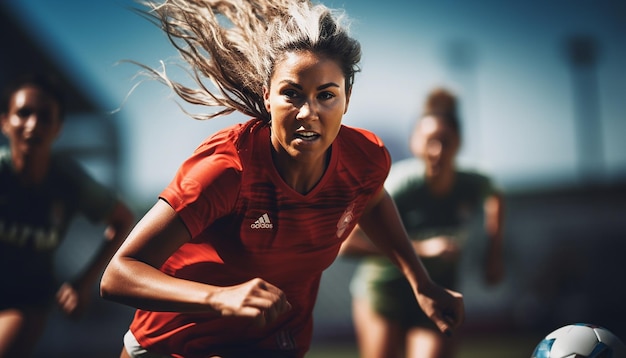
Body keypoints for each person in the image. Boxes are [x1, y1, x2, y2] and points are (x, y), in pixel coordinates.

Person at [99, 1, 465, 357]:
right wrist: (219, 297)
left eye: (326, 96)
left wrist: (422, 283)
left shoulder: (365, 161)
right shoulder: (228, 171)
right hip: (172, 345)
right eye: (291, 93)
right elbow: (118, 275)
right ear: (267, 96)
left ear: (347, 99)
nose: (309, 113)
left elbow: (374, 201)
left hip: (272, 344)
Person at [340, 87, 505, 358]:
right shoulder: (398, 185)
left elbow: (496, 195)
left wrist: (494, 253)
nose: (437, 151)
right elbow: (345, 245)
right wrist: (423, 249)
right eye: (429, 141)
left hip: (437, 293)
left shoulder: (472, 183)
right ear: (414, 142)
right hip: (384, 296)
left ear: (459, 143)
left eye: (445, 141)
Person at [0, 73, 135, 357]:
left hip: (27, 300)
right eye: (23, 113)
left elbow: (123, 220)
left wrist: (82, 283)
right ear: (5, 122)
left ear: (58, 128)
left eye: (45, 117)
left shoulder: (68, 182)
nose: (33, 124)